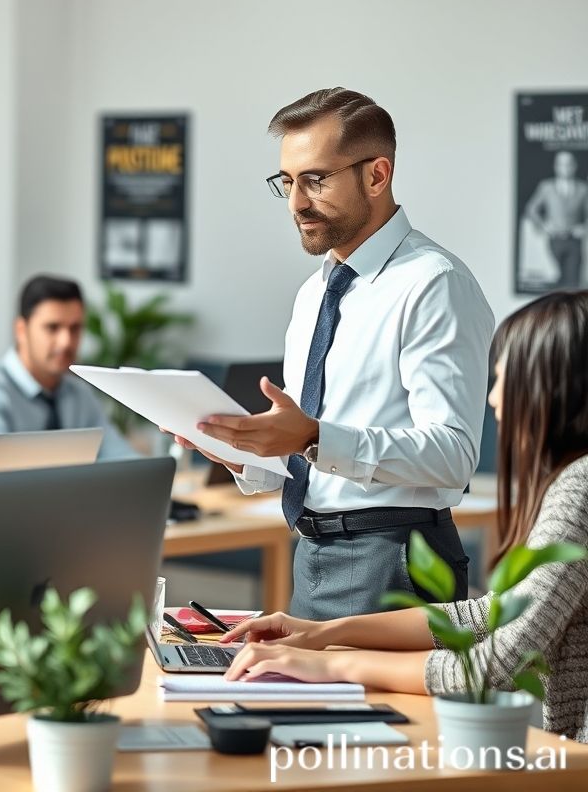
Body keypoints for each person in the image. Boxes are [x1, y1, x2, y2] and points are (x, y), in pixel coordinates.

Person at [179, 88, 494, 620]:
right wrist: (245, 454)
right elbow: (314, 457)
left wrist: (313, 436)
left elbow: (454, 455)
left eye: (316, 180)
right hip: (312, 555)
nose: (297, 203)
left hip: (396, 560)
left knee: (385, 709)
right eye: (287, 183)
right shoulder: (314, 294)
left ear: (377, 175)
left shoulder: (433, 283)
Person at [219, 291, 588, 743]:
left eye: (503, 379)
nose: (493, 400)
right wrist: (322, 633)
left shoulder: (580, 487)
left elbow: (497, 662)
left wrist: (332, 662)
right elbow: (490, 615)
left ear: (553, 388)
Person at [0, 274, 137, 474]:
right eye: (52, 328)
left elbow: (123, 459)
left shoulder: (80, 394)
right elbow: (1, 477)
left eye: (75, 328)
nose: (66, 341)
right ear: (21, 330)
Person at [524, 149, 588, 288]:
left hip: (573, 242)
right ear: (556, 166)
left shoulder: (583, 189)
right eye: (561, 164)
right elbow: (531, 209)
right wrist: (544, 225)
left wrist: (583, 228)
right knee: (553, 285)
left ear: (574, 166)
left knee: (572, 287)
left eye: (568, 164)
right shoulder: (546, 187)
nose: (565, 167)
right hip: (553, 241)